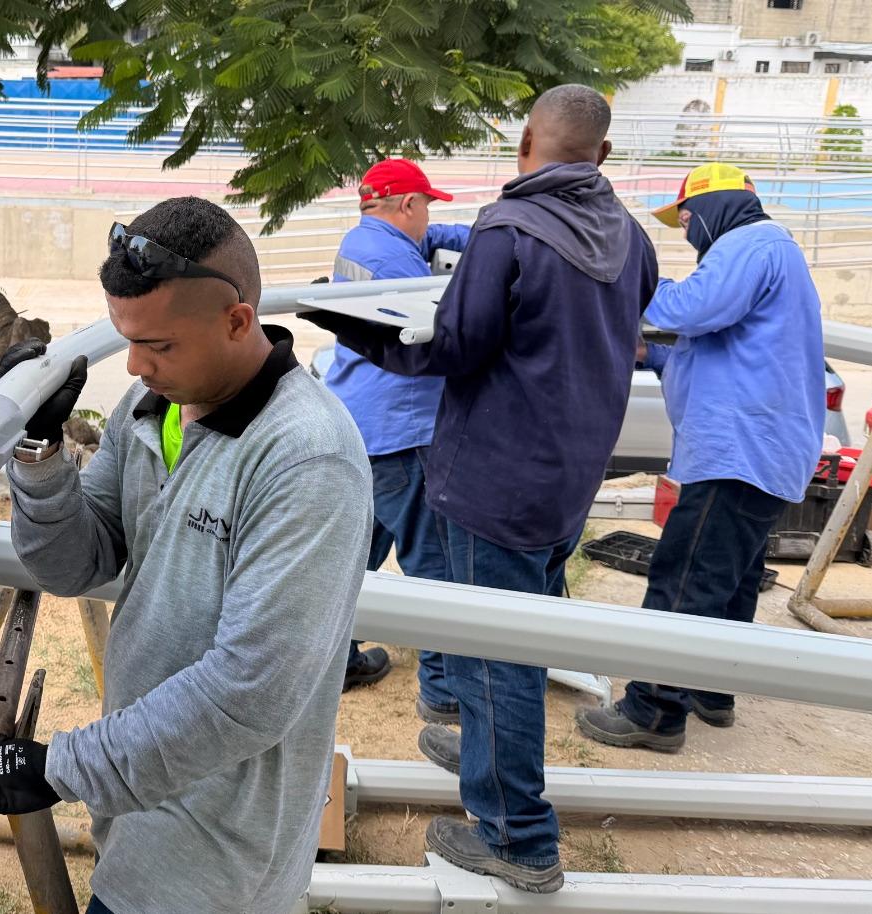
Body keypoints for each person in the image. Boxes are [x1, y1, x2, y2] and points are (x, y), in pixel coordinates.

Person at [0, 197, 373, 914]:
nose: (135, 364)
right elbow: (77, 563)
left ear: (238, 321)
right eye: (126, 339)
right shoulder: (157, 407)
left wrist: (57, 769)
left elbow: (251, 692)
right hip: (140, 822)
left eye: (159, 346)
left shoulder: (307, 460)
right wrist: (39, 454)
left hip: (220, 860)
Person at [299, 85, 658, 893]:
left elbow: (454, 347)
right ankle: (488, 755)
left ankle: (517, 839)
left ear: (526, 140)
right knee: (511, 637)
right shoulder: (631, 237)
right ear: (599, 156)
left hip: (493, 479)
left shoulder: (510, 228)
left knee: (499, 654)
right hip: (568, 478)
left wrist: (348, 325)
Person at [577, 164, 824, 751]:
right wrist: (650, 352)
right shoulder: (768, 255)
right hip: (760, 449)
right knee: (730, 579)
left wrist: (625, 290)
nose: (684, 228)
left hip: (737, 450)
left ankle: (655, 713)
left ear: (714, 207)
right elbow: (703, 344)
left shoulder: (750, 243)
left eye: (686, 216)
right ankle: (713, 690)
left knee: (685, 577)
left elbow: (683, 311)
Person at [326, 158, 470, 704]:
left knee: (355, 554)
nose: (429, 217)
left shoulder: (365, 241)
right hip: (400, 430)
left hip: (362, 423)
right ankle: (443, 689)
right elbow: (446, 332)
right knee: (432, 559)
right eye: (425, 205)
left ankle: (336, 660)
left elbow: (440, 235)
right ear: (406, 205)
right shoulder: (398, 264)